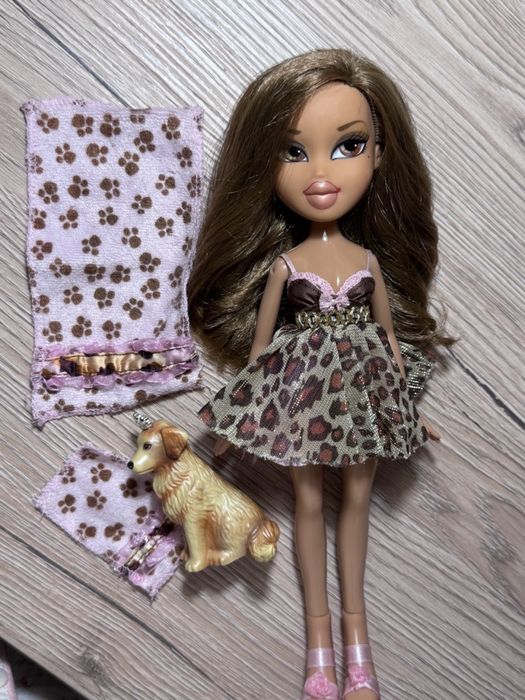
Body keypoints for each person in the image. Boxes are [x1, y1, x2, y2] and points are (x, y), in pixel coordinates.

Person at [188, 48, 454, 700]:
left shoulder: (367, 263)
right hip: (302, 396)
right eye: (292, 151)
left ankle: (357, 649)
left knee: (355, 503)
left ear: (379, 154)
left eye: (348, 146)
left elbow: (388, 341)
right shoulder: (286, 267)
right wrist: (236, 422)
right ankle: (318, 654)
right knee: (309, 503)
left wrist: (406, 408)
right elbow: (261, 353)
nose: (320, 173)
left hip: (361, 395)